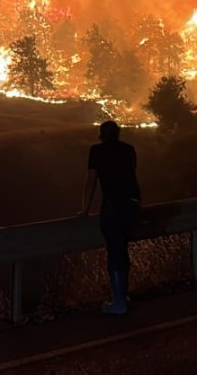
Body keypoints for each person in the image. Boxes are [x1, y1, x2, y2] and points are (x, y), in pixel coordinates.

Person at [81, 120, 140, 314]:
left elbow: (91, 182)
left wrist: (84, 210)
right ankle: (123, 296)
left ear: (101, 135)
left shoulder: (96, 151)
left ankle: (119, 303)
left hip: (113, 206)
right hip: (133, 204)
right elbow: (132, 173)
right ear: (118, 133)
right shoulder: (129, 149)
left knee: (115, 252)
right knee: (123, 249)